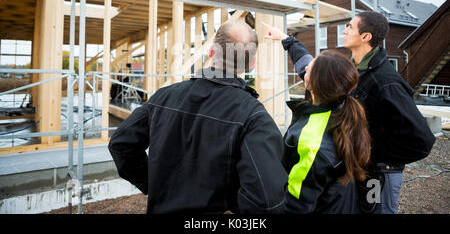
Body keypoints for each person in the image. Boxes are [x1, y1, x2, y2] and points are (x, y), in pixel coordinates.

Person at [108, 18, 288, 214]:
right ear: (252, 62)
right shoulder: (254, 117)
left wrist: (153, 184)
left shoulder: (163, 97)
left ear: (211, 52)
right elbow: (268, 200)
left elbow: (120, 143)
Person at [264, 23, 371, 213]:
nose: (305, 68)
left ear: (313, 84)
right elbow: (302, 59)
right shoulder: (343, 104)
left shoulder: (312, 142)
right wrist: (285, 39)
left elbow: (296, 203)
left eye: (309, 69)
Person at [341, 11, 435, 213]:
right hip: (360, 171)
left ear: (365, 37)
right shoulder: (355, 72)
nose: (344, 31)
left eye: (349, 27)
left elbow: (422, 139)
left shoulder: (385, 81)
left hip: (378, 176)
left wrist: (371, 153)